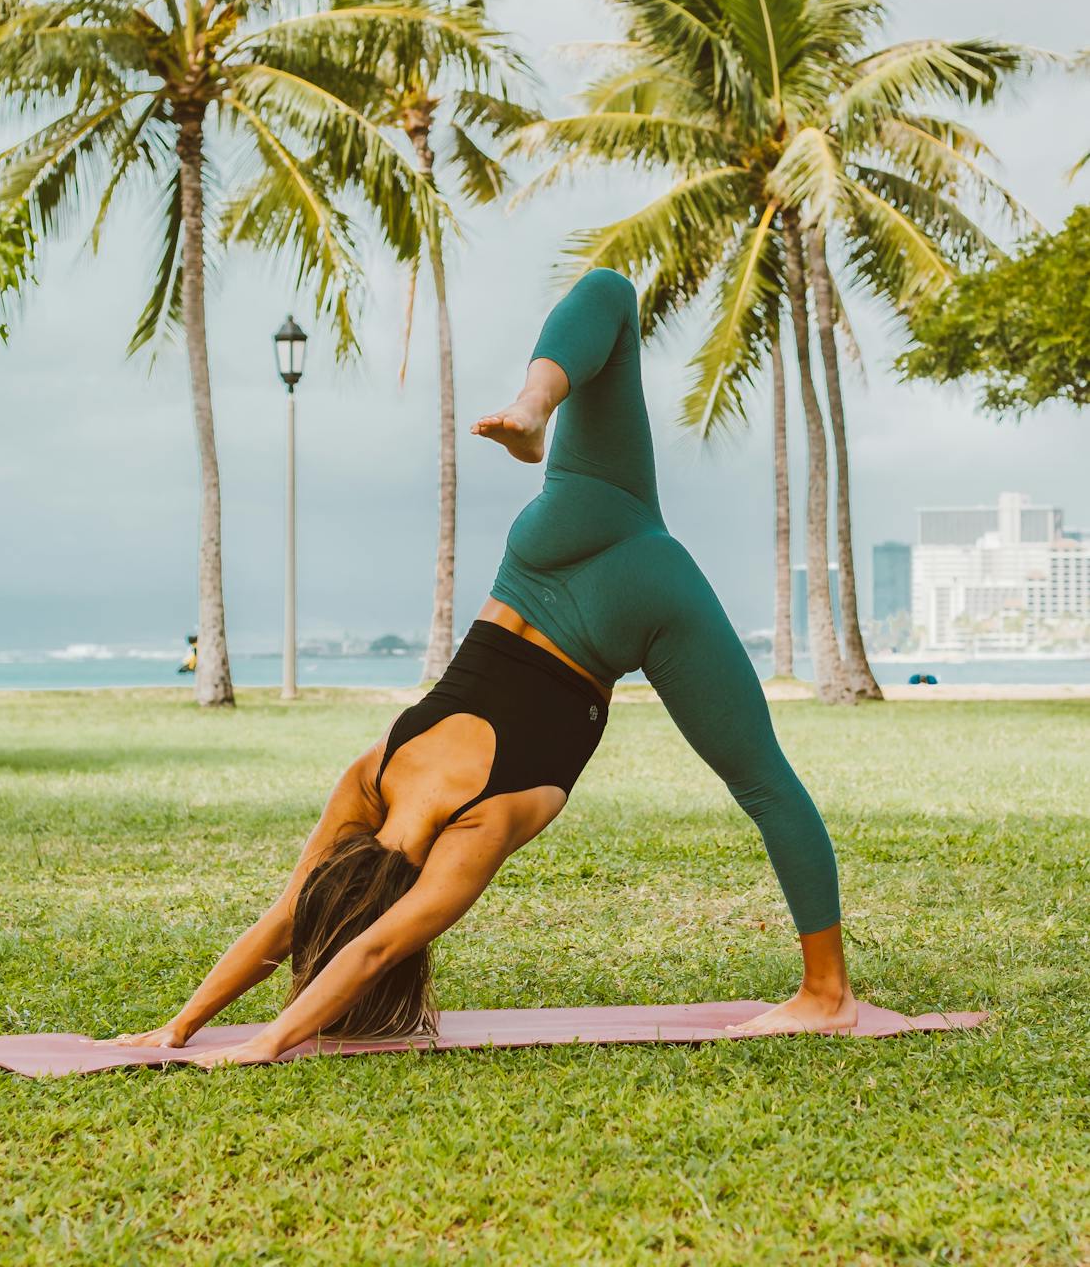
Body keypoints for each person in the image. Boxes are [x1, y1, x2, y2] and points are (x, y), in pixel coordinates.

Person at [117, 270, 857, 1067]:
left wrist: (250, 1041)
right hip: (560, 534)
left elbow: (358, 949)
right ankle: (534, 408)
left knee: (762, 783)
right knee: (609, 290)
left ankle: (827, 996)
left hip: (638, 613)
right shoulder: (375, 772)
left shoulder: (477, 828)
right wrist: (180, 1027)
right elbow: (290, 917)